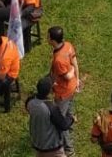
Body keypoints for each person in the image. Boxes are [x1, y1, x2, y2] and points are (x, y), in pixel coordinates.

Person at [49, 27, 80, 156]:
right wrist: (77, 79)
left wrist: (72, 71)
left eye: (48, 36)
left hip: (63, 92)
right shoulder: (67, 45)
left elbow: (67, 76)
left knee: (60, 122)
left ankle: (68, 148)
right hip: (72, 87)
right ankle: (70, 126)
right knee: (69, 111)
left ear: (52, 40)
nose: (47, 38)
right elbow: (75, 61)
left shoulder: (59, 60)